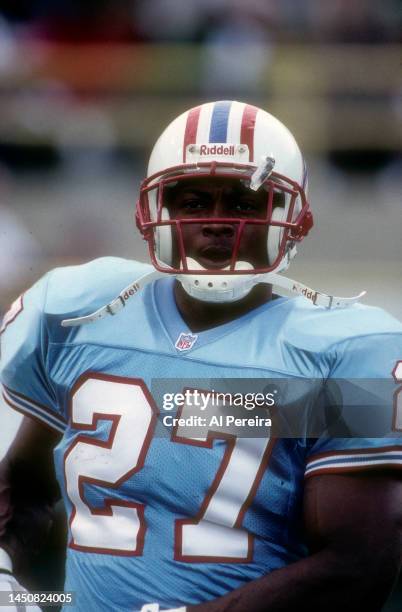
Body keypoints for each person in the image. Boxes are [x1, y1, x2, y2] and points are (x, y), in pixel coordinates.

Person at [1, 100, 402, 612]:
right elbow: (27, 489)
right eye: (193, 201)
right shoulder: (77, 310)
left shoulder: (349, 350)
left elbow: (358, 563)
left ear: (289, 216)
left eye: (242, 203)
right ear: (158, 211)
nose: (217, 222)